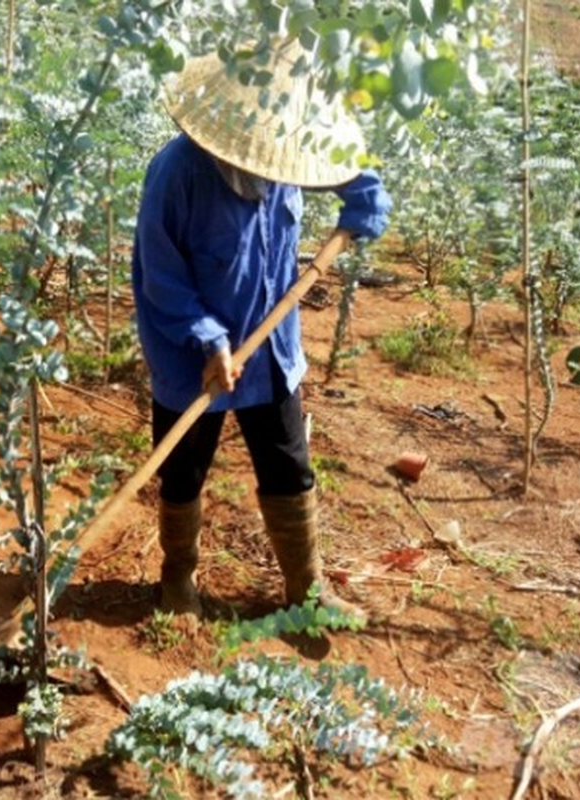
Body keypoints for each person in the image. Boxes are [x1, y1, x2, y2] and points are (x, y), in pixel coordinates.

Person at [131, 39, 392, 621]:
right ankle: (178, 580)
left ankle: (307, 590)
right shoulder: (177, 172)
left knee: (287, 463)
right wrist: (209, 339)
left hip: (271, 346)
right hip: (189, 352)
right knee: (183, 468)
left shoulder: (291, 146)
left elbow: (349, 169)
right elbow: (161, 273)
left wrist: (365, 197)